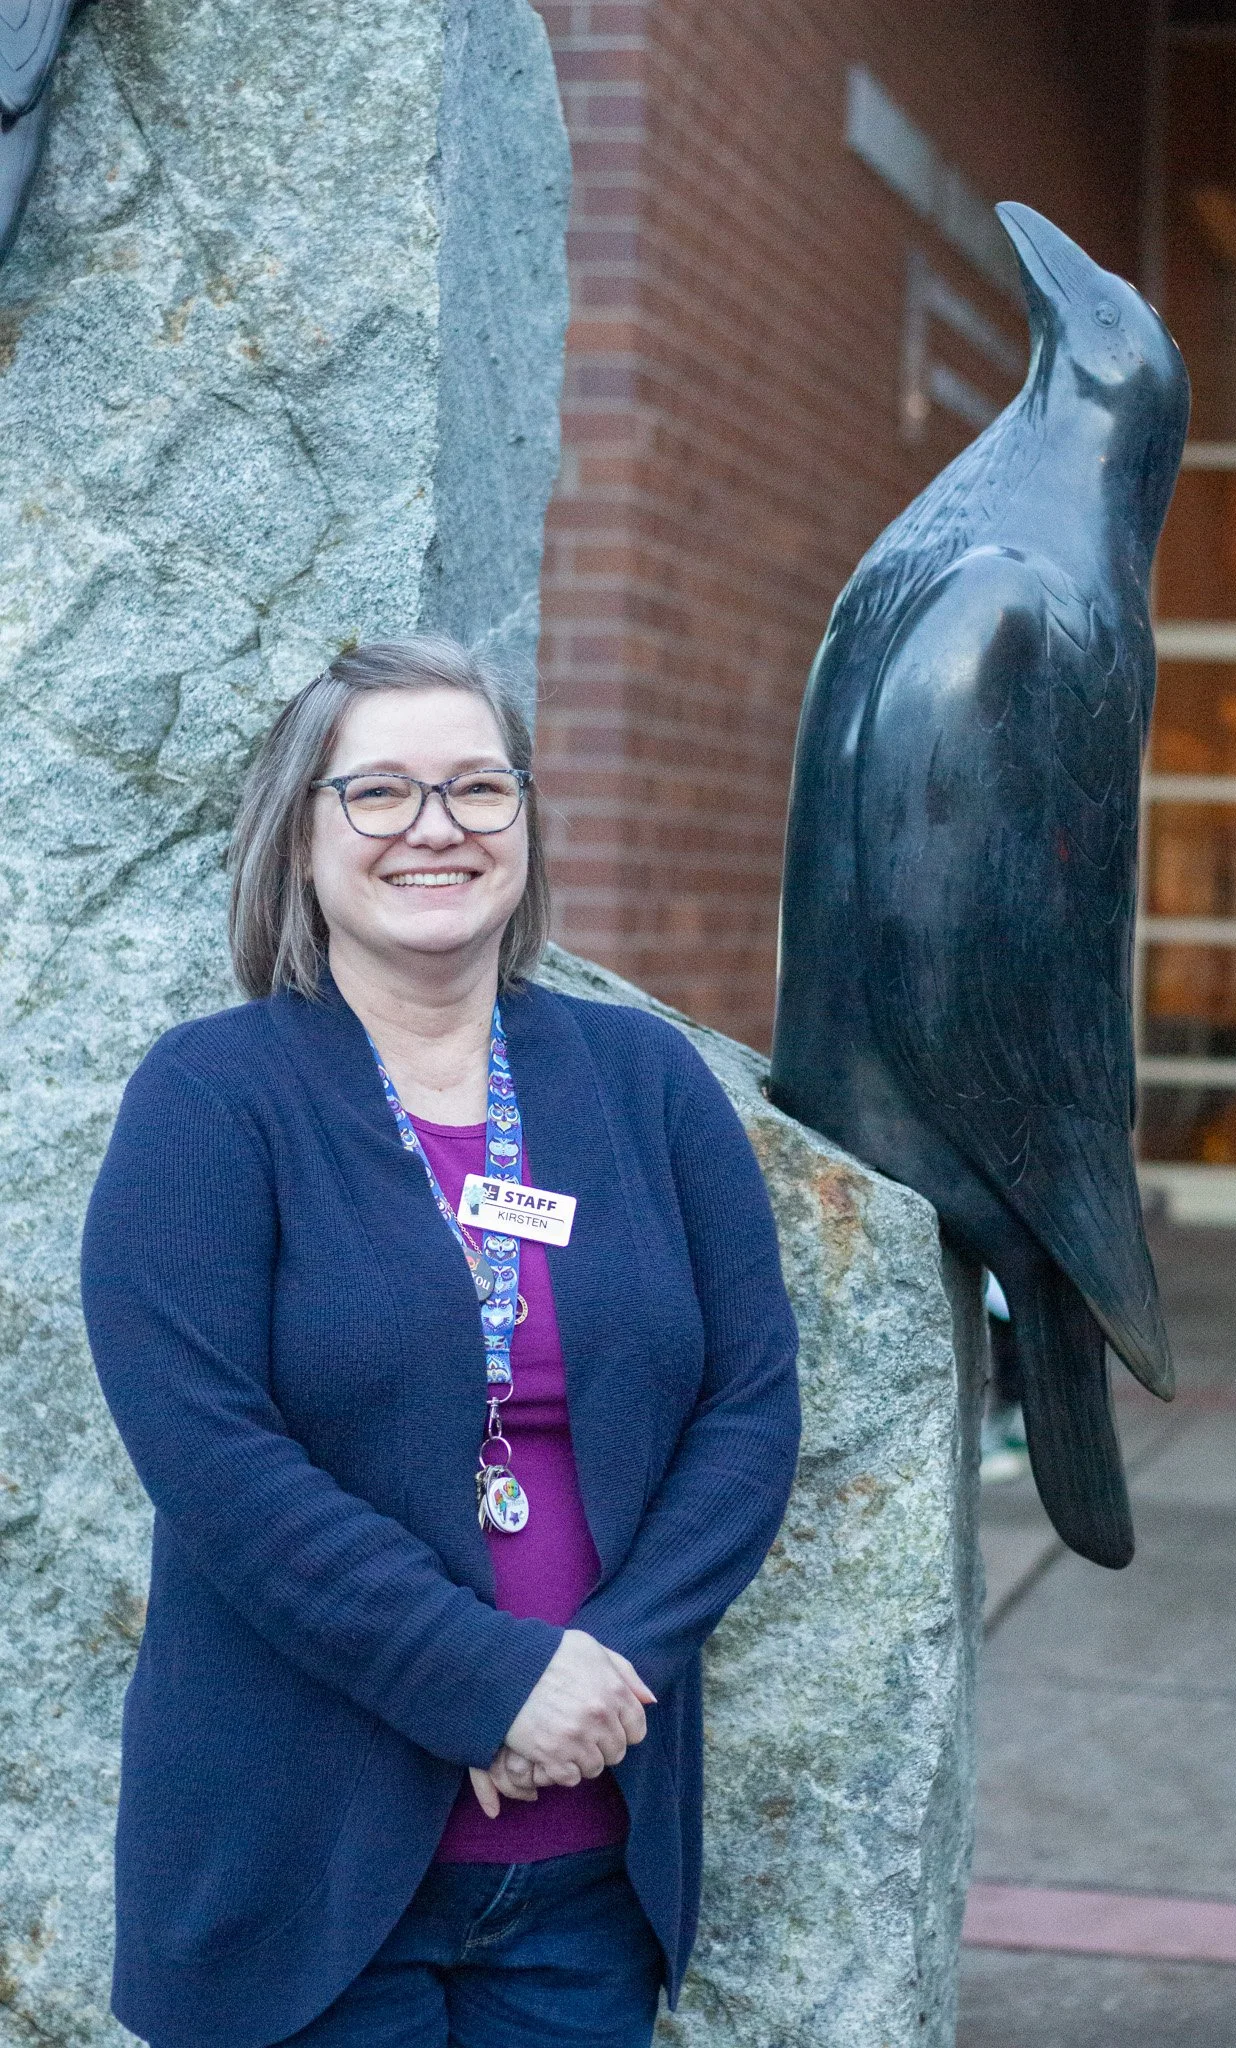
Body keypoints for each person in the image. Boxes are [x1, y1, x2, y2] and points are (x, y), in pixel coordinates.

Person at [81, 637, 802, 2048]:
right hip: (302, 1879)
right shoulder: (211, 1101)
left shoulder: (647, 1086)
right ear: (299, 837)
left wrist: (604, 1667)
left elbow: (751, 1407)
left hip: (589, 1873)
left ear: (526, 822)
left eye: (480, 788)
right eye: (382, 793)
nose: (438, 828)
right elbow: (213, 1461)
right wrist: (486, 1683)